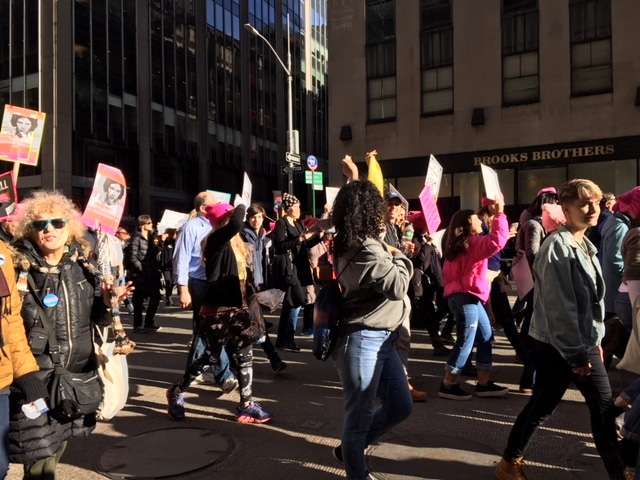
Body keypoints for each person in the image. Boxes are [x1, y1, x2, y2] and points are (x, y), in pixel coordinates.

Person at [496, 179, 628, 480]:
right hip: (564, 345)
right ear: (566, 209)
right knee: (603, 407)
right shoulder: (558, 247)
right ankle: (621, 471)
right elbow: (561, 309)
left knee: (543, 403)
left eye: (596, 202)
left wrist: (590, 341)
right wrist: (578, 355)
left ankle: (508, 462)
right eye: (584, 203)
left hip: (569, 343)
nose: (593, 209)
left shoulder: (583, 242)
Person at [8, 190, 132, 478]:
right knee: (40, 458)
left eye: (57, 222)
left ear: (70, 226)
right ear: (30, 230)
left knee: (57, 447)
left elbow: (95, 321)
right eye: (40, 224)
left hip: (77, 378)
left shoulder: (82, 267)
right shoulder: (19, 269)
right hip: (37, 378)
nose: (49, 229)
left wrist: (107, 302)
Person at [330, 179, 413, 480]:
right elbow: (398, 285)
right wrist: (400, 254)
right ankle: (357, 472)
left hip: (382, 339)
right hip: (363, 339)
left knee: (401, 405)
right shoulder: (364, 247)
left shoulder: (358, 241)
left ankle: (350, 449)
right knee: (359, 419)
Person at [167, 203, 273, 424]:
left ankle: (247, 404)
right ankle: (177, 392)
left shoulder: (235, 243)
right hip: (216, 311)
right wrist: (242, 203)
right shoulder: (215, 239)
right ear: (225, 219)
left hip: (238, 308)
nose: (238, 219)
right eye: (232, 215)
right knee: (212, 356)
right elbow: (237, 222)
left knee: (245, 354)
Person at [438, 196, 510, 401]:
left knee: (486, 335)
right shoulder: (473, 244)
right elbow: (497, 241)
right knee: (466, 340)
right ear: (468, 225)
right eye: (476, 219)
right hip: (467, 298)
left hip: (465, 297)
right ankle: (448, 384)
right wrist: (500, 215)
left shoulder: (457, 245)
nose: (480, 220)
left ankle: (484, 383)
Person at [172, 192, 235, 391]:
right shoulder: (191, 227)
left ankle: (193, 372)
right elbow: (180, 258)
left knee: (203, 330)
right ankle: (224, 375)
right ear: (203, 208)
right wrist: (183, 288)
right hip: (199, 282)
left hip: (215, 283)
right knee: (212, 328)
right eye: (214, 203)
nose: (219, 205)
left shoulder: (217, 227)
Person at [0, 239, 50, 479]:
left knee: (0, 465)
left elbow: (10, 319)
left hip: (0, 379)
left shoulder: (1, 252)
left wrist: (26, 372)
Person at [273, 193, 323, 352]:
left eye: (299, 207)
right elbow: (280, 246)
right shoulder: (282, 224)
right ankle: (286, 338)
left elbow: (307, 244)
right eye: (295, 207)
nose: (298, 210)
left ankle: (285, 338)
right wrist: (300, 239)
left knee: (294, 303)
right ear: (288, 209)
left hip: (300, 267)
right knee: (293, 302)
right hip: (289, 268)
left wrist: (319, 236)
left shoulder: (299, 224)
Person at [240, 203, 287, 373]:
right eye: (253, 217)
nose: (256, 220)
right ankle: (273, 358)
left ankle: (272, 358)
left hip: (258, 286)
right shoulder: (242, 235)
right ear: (247, 218)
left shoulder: (263, 237)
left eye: (259, 216)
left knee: (255, 325)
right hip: (245, 286)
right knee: (255, 325)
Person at [126, 215, 162, 333]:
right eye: (149, 223)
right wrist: (141, 268)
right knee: (138, 299)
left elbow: (154, 254)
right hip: (140, 273)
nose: (152, 224)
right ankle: (138, 325)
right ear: (143, 225)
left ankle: (149, 322)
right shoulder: (136, 238)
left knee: (155, 296)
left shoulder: (150, 237)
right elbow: (132, 256)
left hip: (151, 271)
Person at [157, 228, 176, 306]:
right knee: (168, 281)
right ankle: (169, 298)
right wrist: (162, 240)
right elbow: (158, 249)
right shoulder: (163, 243)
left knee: (172, 282)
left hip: (173, 265)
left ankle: (169, 295)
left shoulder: (174, 242)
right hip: (165, 266)